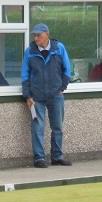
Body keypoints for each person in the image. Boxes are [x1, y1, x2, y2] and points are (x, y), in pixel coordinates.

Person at [21, 23, 72, 168]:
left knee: (58, 127)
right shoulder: (30, 51)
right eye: (34, 36)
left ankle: (57, 156)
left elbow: (67, 70)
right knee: (38, 127)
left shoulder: (59, 48)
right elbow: (25, 75)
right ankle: (39, 158)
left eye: (39, 35)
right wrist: (27, 95)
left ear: (47, 34)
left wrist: (62, 87)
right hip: (37, 96)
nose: (36, 38)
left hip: (56, 95)